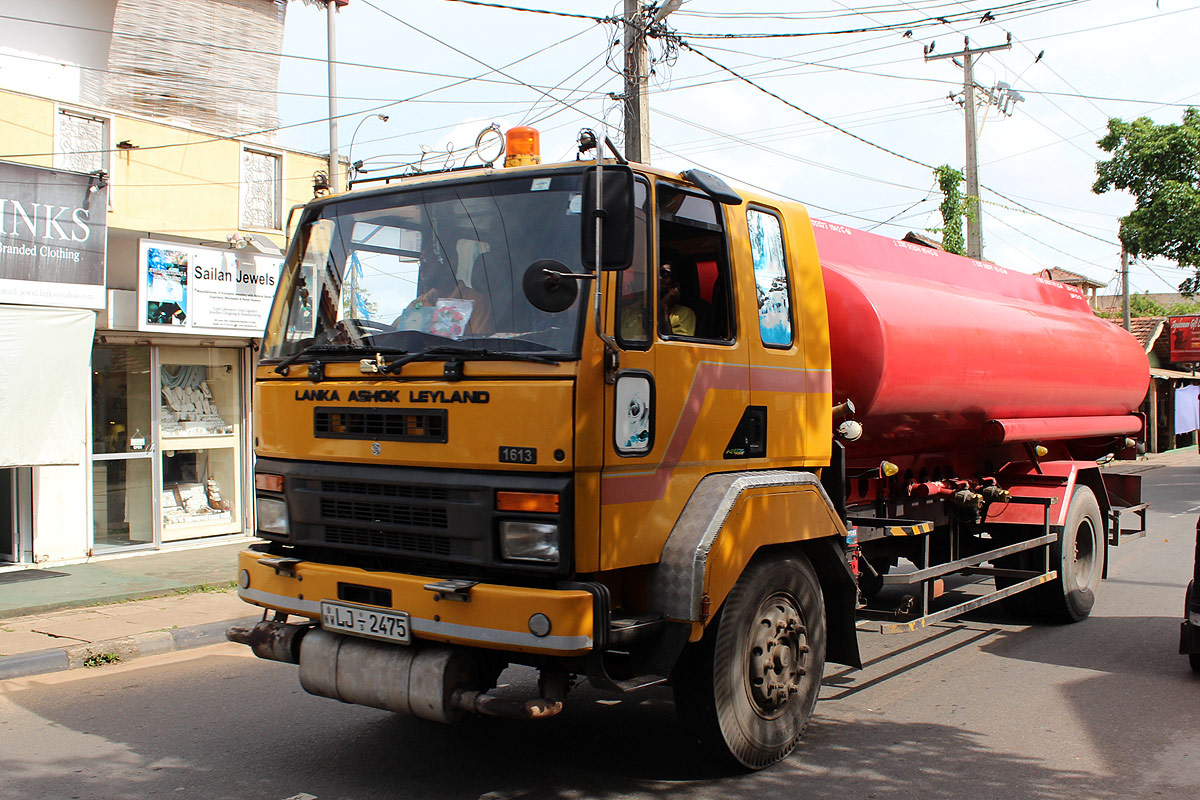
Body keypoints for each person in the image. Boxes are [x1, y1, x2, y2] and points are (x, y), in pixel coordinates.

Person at [619, 261, 696, 339]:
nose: (658, 278)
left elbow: (674, 348)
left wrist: (663, 307)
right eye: (653, 273)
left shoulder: (683, 314)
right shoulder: (628, 311)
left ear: (675, 284)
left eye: (664, 274)